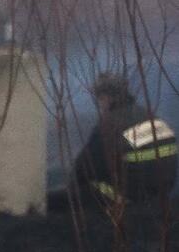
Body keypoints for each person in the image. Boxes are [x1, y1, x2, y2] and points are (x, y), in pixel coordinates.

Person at [74, 73, 177, 208]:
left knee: (83, 186)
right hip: (163, 190)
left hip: (131, 195)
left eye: (99, 98)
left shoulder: (111, 123)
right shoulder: (149, 115)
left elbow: (84, 167)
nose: (99, 104)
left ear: (105, 97)